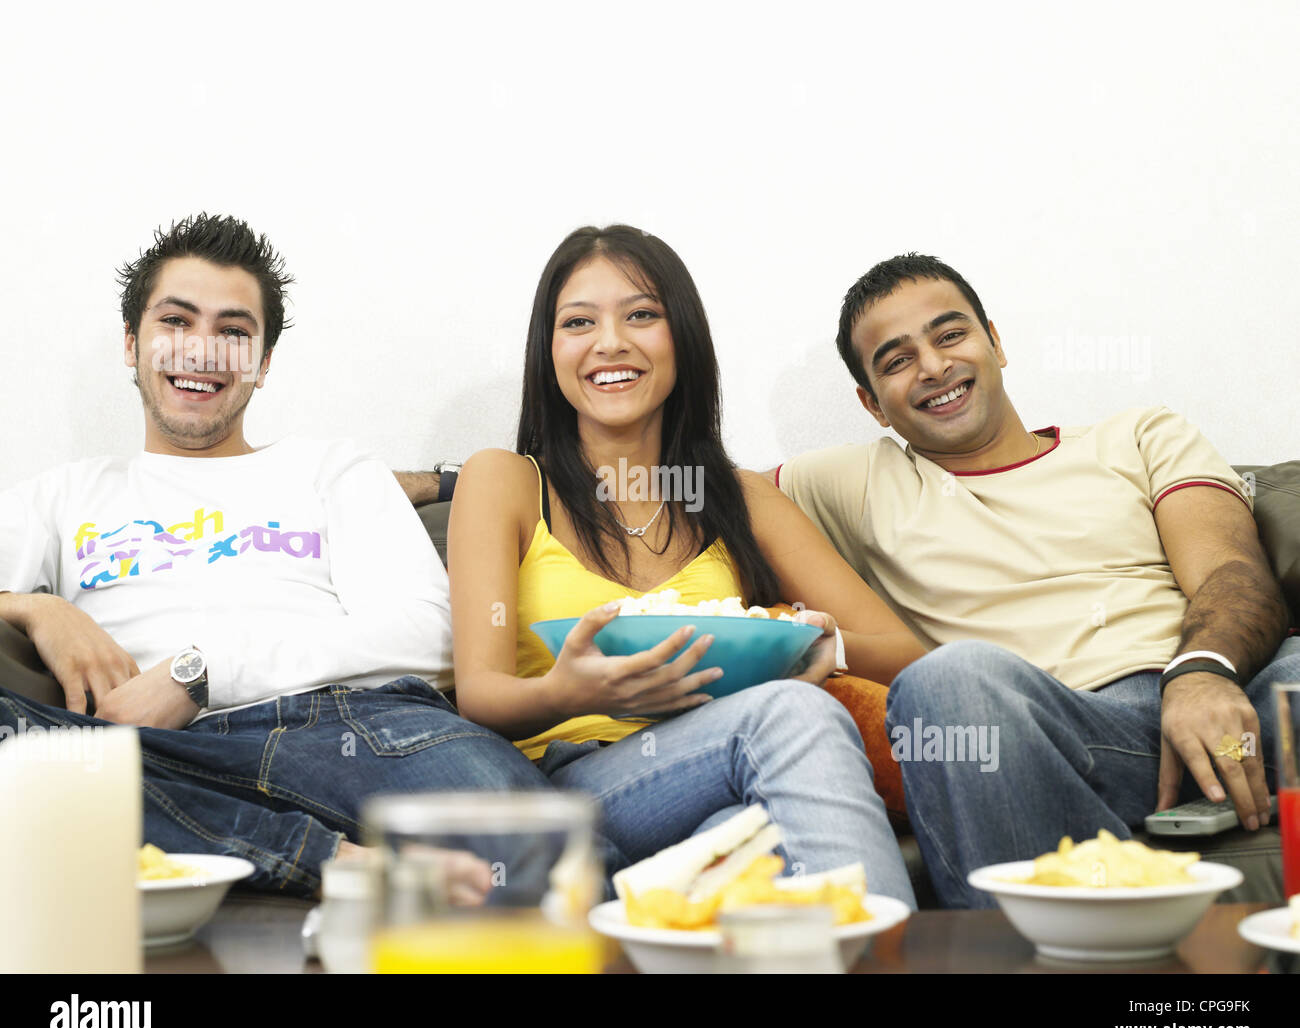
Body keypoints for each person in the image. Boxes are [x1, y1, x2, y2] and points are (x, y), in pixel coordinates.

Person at [0, 214, 550, 896]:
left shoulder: (335, 470)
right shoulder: (62, 495)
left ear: (261, 365)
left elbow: (432, 632)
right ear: (130, 344)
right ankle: (331, 861)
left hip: (354, 733)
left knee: (539, 863)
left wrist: (201, 672)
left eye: (233, 332)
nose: (203, 352)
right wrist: (34, 606)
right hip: (157, 758)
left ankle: (255, 851)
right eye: (176, 321)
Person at [774, 252, 1300, 907]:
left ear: (995, 340)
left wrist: (1202, 671)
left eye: (950, 335)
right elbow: (697, 481)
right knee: (950, 682)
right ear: (871, 403)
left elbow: (1232, 573)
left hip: (1233, 692)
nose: (935, 366)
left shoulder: (1137, 436)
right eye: (897, 360)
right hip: (1065, 734)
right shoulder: (850, 483)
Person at [447, 224, 925, 907]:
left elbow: (911, 653)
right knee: (788, 716)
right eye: (579, 322)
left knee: (751, 839)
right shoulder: (506, 481)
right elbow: (481, 694)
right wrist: (576, 692)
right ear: (549, 351)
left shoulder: (742, 498)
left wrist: (823, 648)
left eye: (641, 314)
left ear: (683, 339)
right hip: (573, 785)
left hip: (730, 771)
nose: (610, 342)